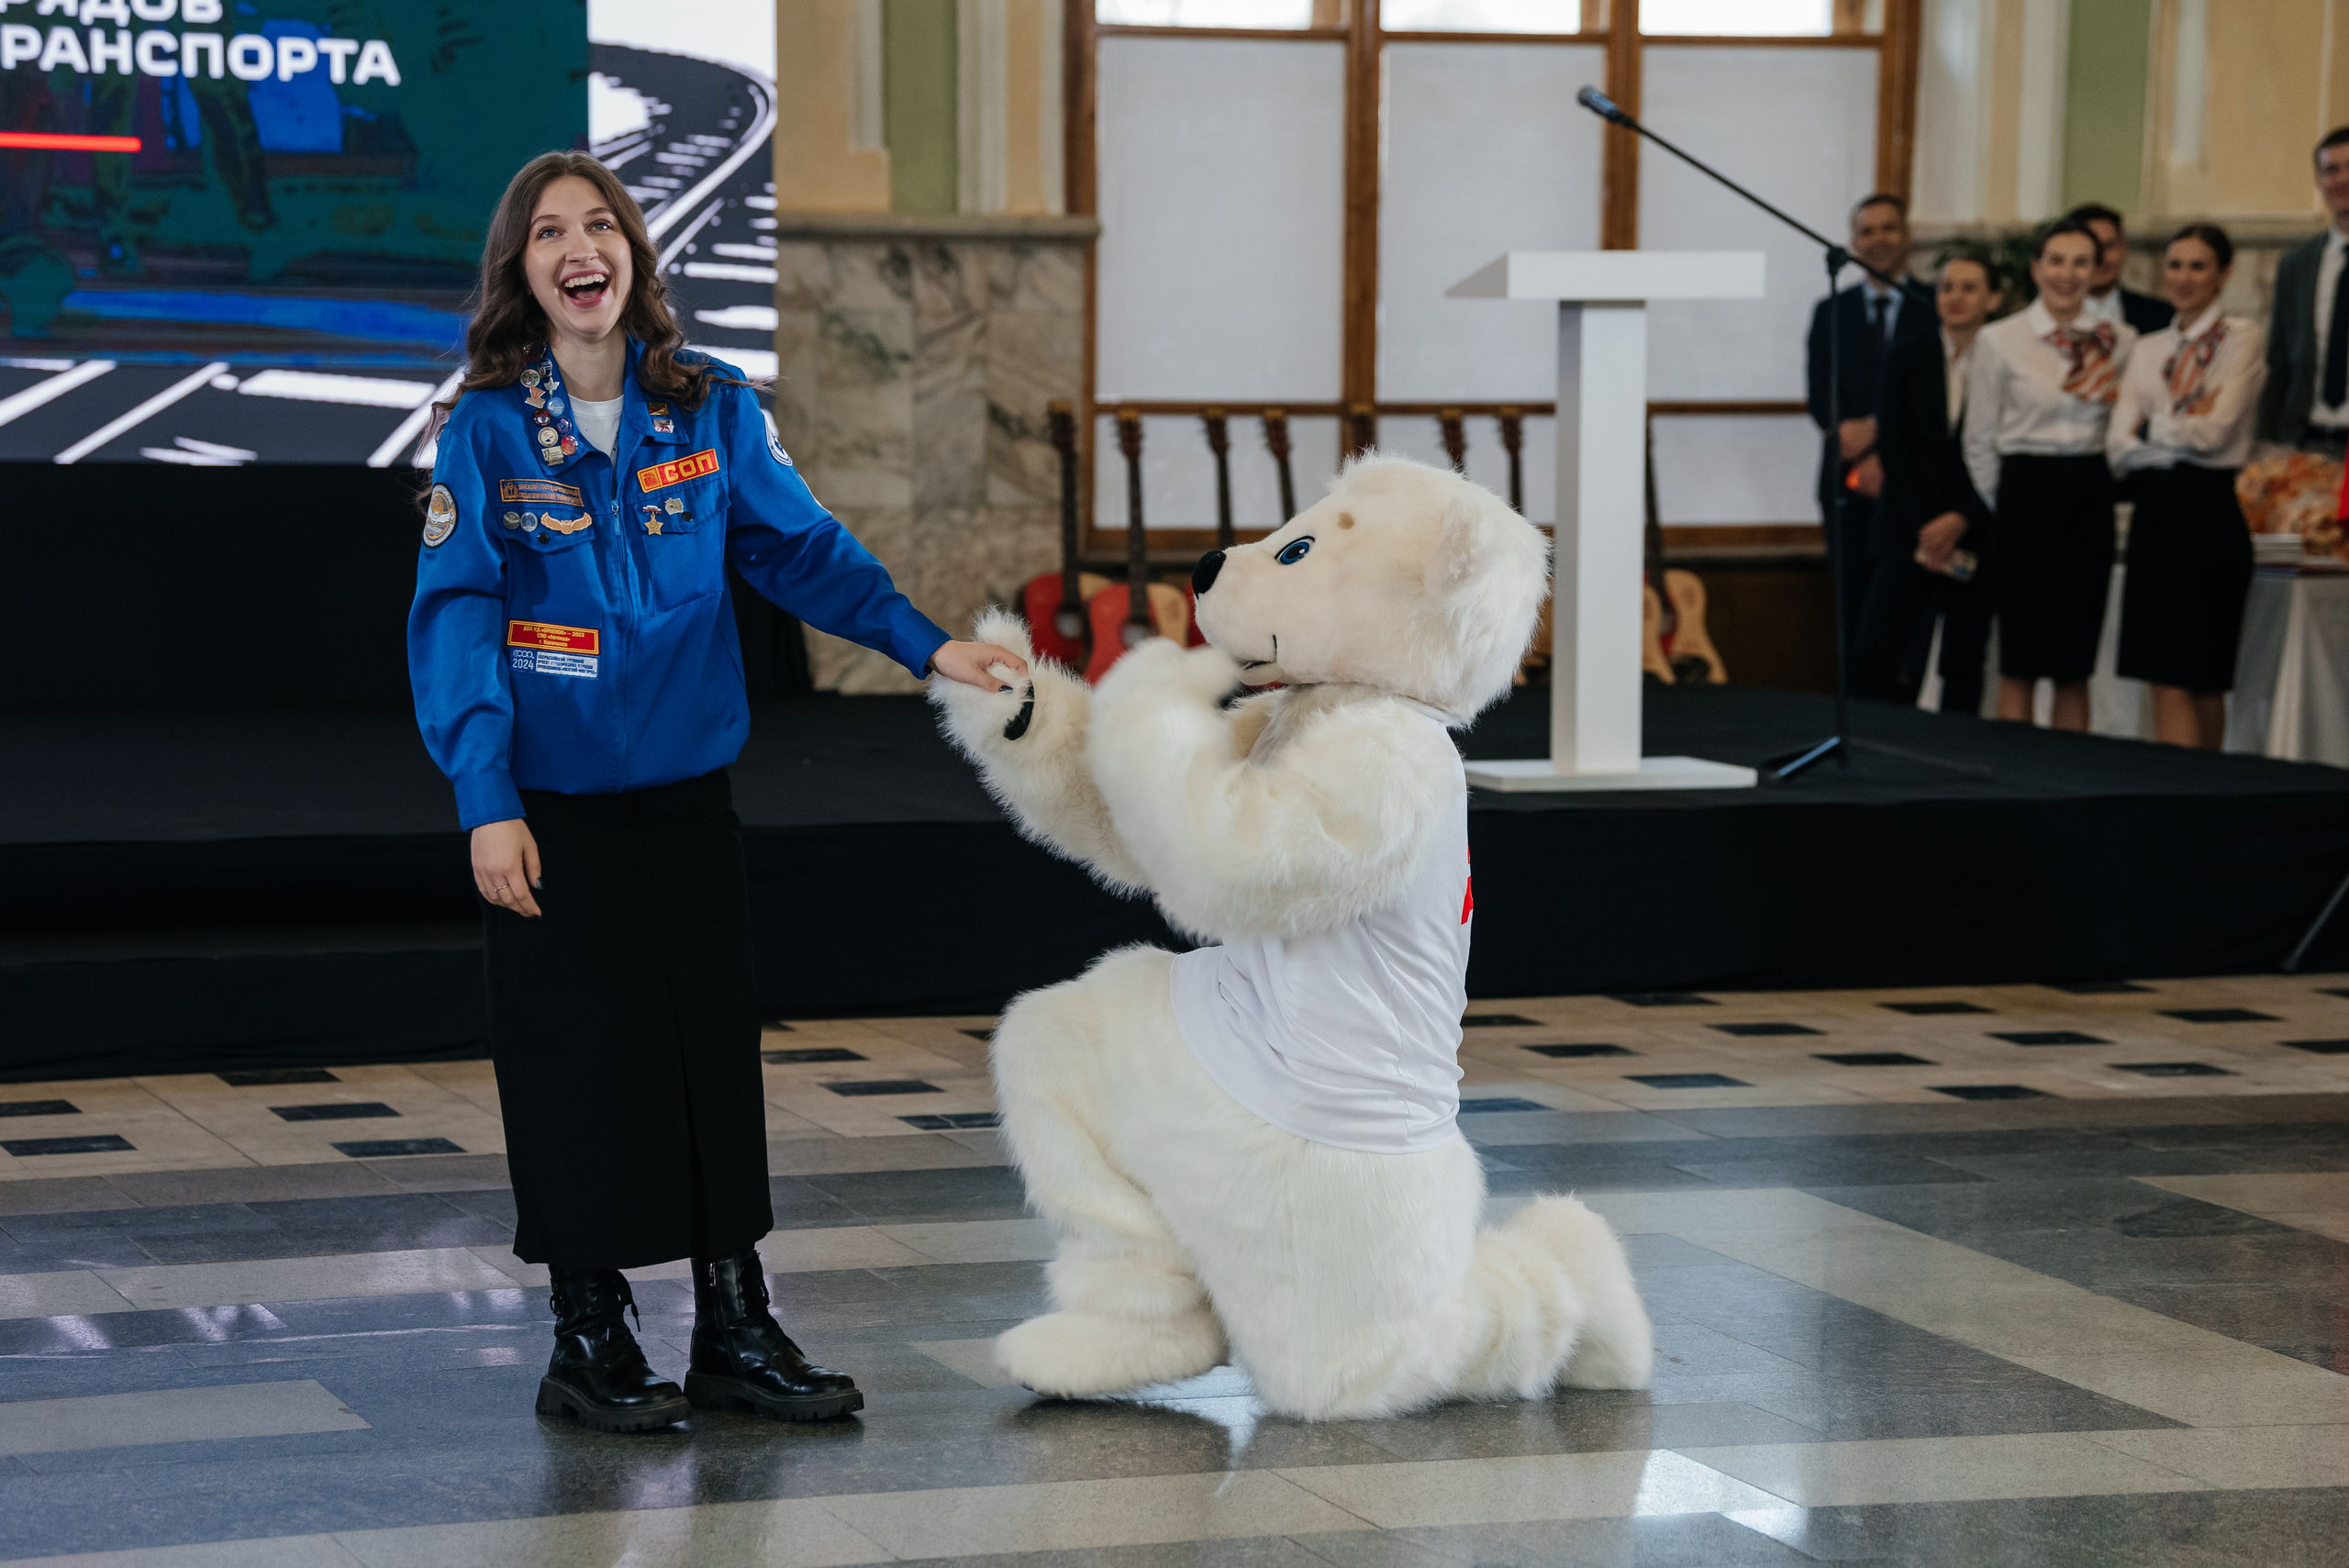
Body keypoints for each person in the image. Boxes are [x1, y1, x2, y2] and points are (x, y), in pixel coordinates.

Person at [407, 152, 1026, 1434]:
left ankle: (735, 1325)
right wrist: (486, 796)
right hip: (552, 810)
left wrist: (925, 643)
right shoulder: (479, 430)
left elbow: (800, 549)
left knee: (705, 1067)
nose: (579, 249)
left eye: (600, 226)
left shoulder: (710, 407)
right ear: (523, 273)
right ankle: (589, 1338)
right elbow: (456, 614)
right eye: (548, 234)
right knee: (575, 1068)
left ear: (634, 252)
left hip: (685, 799)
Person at [1965, 218, 2137, 731]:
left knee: (2073, 664)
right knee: (2018, 661)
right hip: (2023, 496)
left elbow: (2124, 427)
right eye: (2056, 261)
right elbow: (1978, 440)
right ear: (2036, 268)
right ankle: (2017, 780)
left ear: (2098, 269)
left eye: (2080, 262)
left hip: (2088, 495)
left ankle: (2069, 782)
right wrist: (2011, 502)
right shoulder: (2000, 339)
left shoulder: (2120, 341)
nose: (2067, 274)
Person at [2110, 225, 2266, 749]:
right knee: (2164, 676)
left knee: (2204, 678)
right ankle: (2176, 797)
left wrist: (2152, 427)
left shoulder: (2241, 336)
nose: (2183, 277)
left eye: (2198, 266)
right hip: (2156, 517)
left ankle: (2205, 795)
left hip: (2209, 514)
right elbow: (2117, 447)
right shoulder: (2148, 346)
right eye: (2175, 265)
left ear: (2222, 274)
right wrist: (2180, 425)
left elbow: (2218, 434)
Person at [1852, 250, 2002, 710]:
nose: (1954, 297)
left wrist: (1960, 518)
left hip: (1974, 527)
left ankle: (1960, 757)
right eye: (1946, 287)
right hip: (1907, 526)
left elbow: (2001, 448)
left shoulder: (2005, 362)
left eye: (1969, 288)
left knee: (1962, 659)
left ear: (1993, 299)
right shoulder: (1908, 354)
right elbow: (1894, 446)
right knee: (1875, 653)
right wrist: (1927, 525)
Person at [1806, 194, 1940, 639]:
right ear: (1853, 242)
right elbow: (1820, 393)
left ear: (1907, 237)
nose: (1878, 239)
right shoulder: (1830, 311)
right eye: (1867, 231)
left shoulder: (1934, 306)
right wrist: (1855, 445)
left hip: (1914, 483)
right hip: (1846, 478)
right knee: (1852, 607)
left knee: (1907, 612)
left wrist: (1880, 435)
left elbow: (1938, 393)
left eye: (1888, 228)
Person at [2256, 127, 2349, 452]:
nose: (2342, 179)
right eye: (2331, 170)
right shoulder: (2297, 264)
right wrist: (2266, 442)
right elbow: (2279, 358)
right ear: (2319, 181)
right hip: (2308, 441)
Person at [2066, 203, 2175, 335]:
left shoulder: (2163, 315)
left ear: (2124, 248)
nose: (2101, 259)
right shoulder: (2050, 319)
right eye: (2091, 248)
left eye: (2109, 246)